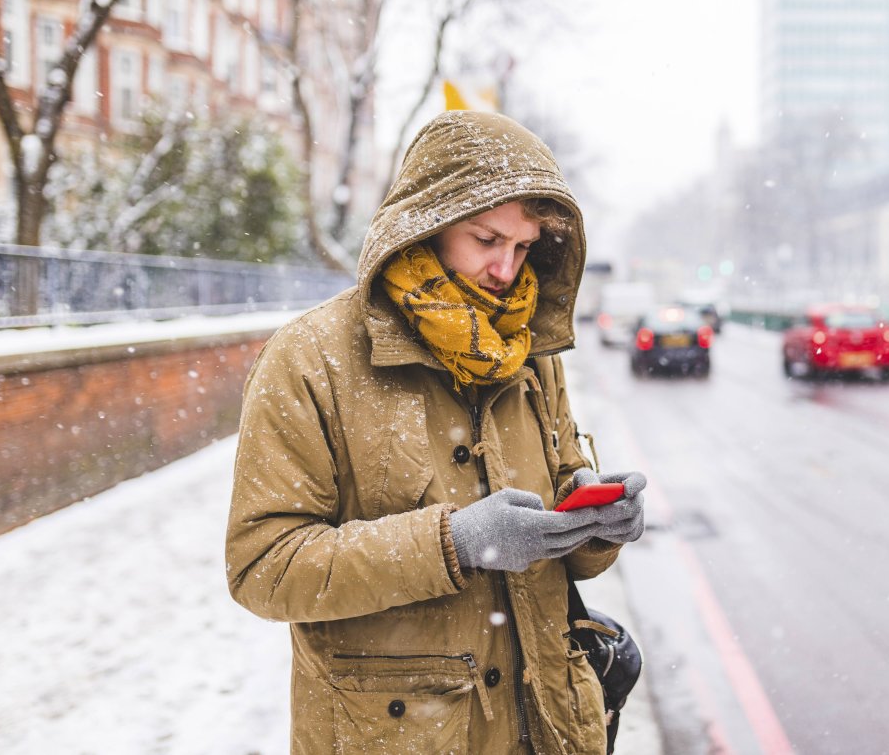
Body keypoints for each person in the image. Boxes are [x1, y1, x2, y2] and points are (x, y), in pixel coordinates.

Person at [226, 110, 647, 754]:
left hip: (547, 729)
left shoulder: (532, 353)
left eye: (524, 246)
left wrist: (593, 522)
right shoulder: (310, 357)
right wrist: (454, 543)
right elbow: (265, 566)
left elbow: (559, 500)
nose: (506, 270)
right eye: (487, 239)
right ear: (426, 222)